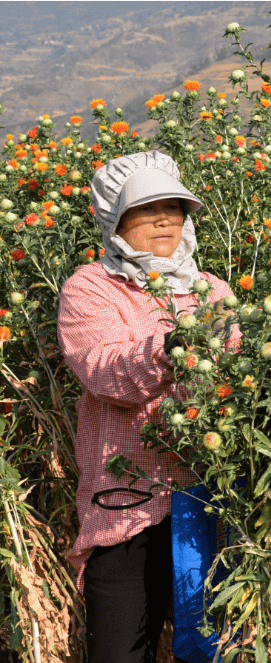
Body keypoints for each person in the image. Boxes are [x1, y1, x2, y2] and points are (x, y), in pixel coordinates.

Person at [58, 150, 238, 662]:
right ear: (115, 219)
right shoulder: (90, 288)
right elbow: (106, 370)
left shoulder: (213, 291)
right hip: (125, 509)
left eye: (175, 207)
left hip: (205, 505)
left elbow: (238, 383)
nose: (165, 219)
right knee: (119, 651)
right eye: (146, 208)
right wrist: (173, 347)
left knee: (206, 650)